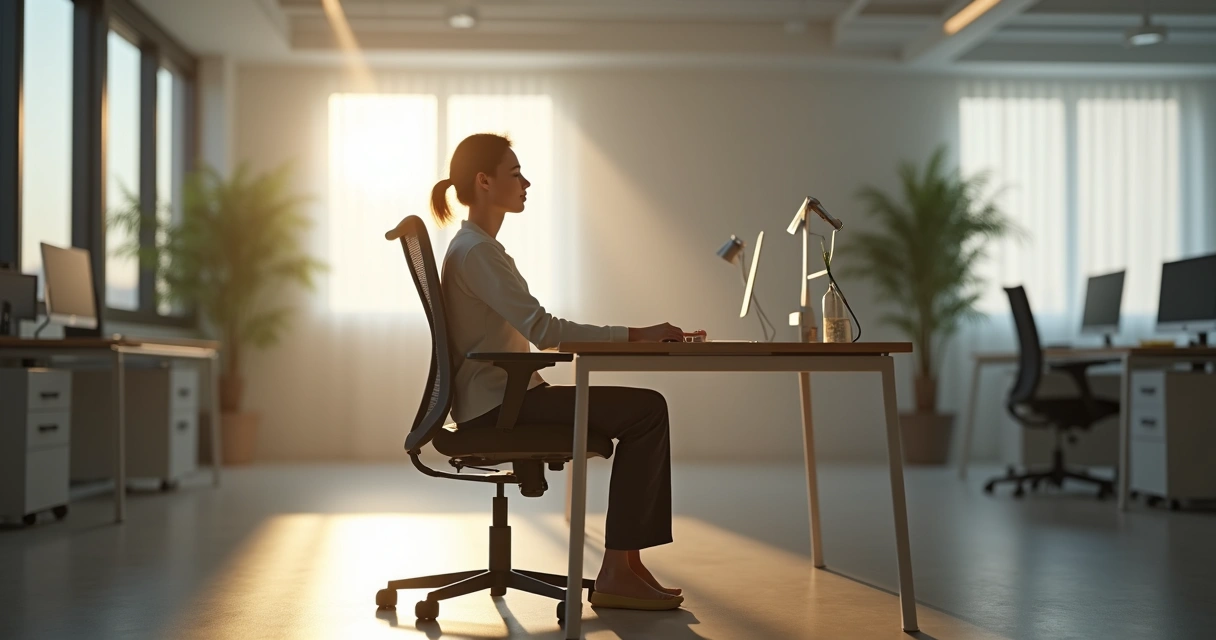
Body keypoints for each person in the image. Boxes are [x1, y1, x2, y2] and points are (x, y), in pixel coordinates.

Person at [432, 133, 684, 611]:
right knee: (647, 410)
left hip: (501, 400)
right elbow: (545, 330)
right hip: (501, 408)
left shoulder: (476, 248)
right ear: (484, 182)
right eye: (515, 173)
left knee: (644, 410)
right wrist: (638, 334)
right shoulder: (477, 252)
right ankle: (618, 571)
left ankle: (626, 567)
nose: (526, 183)